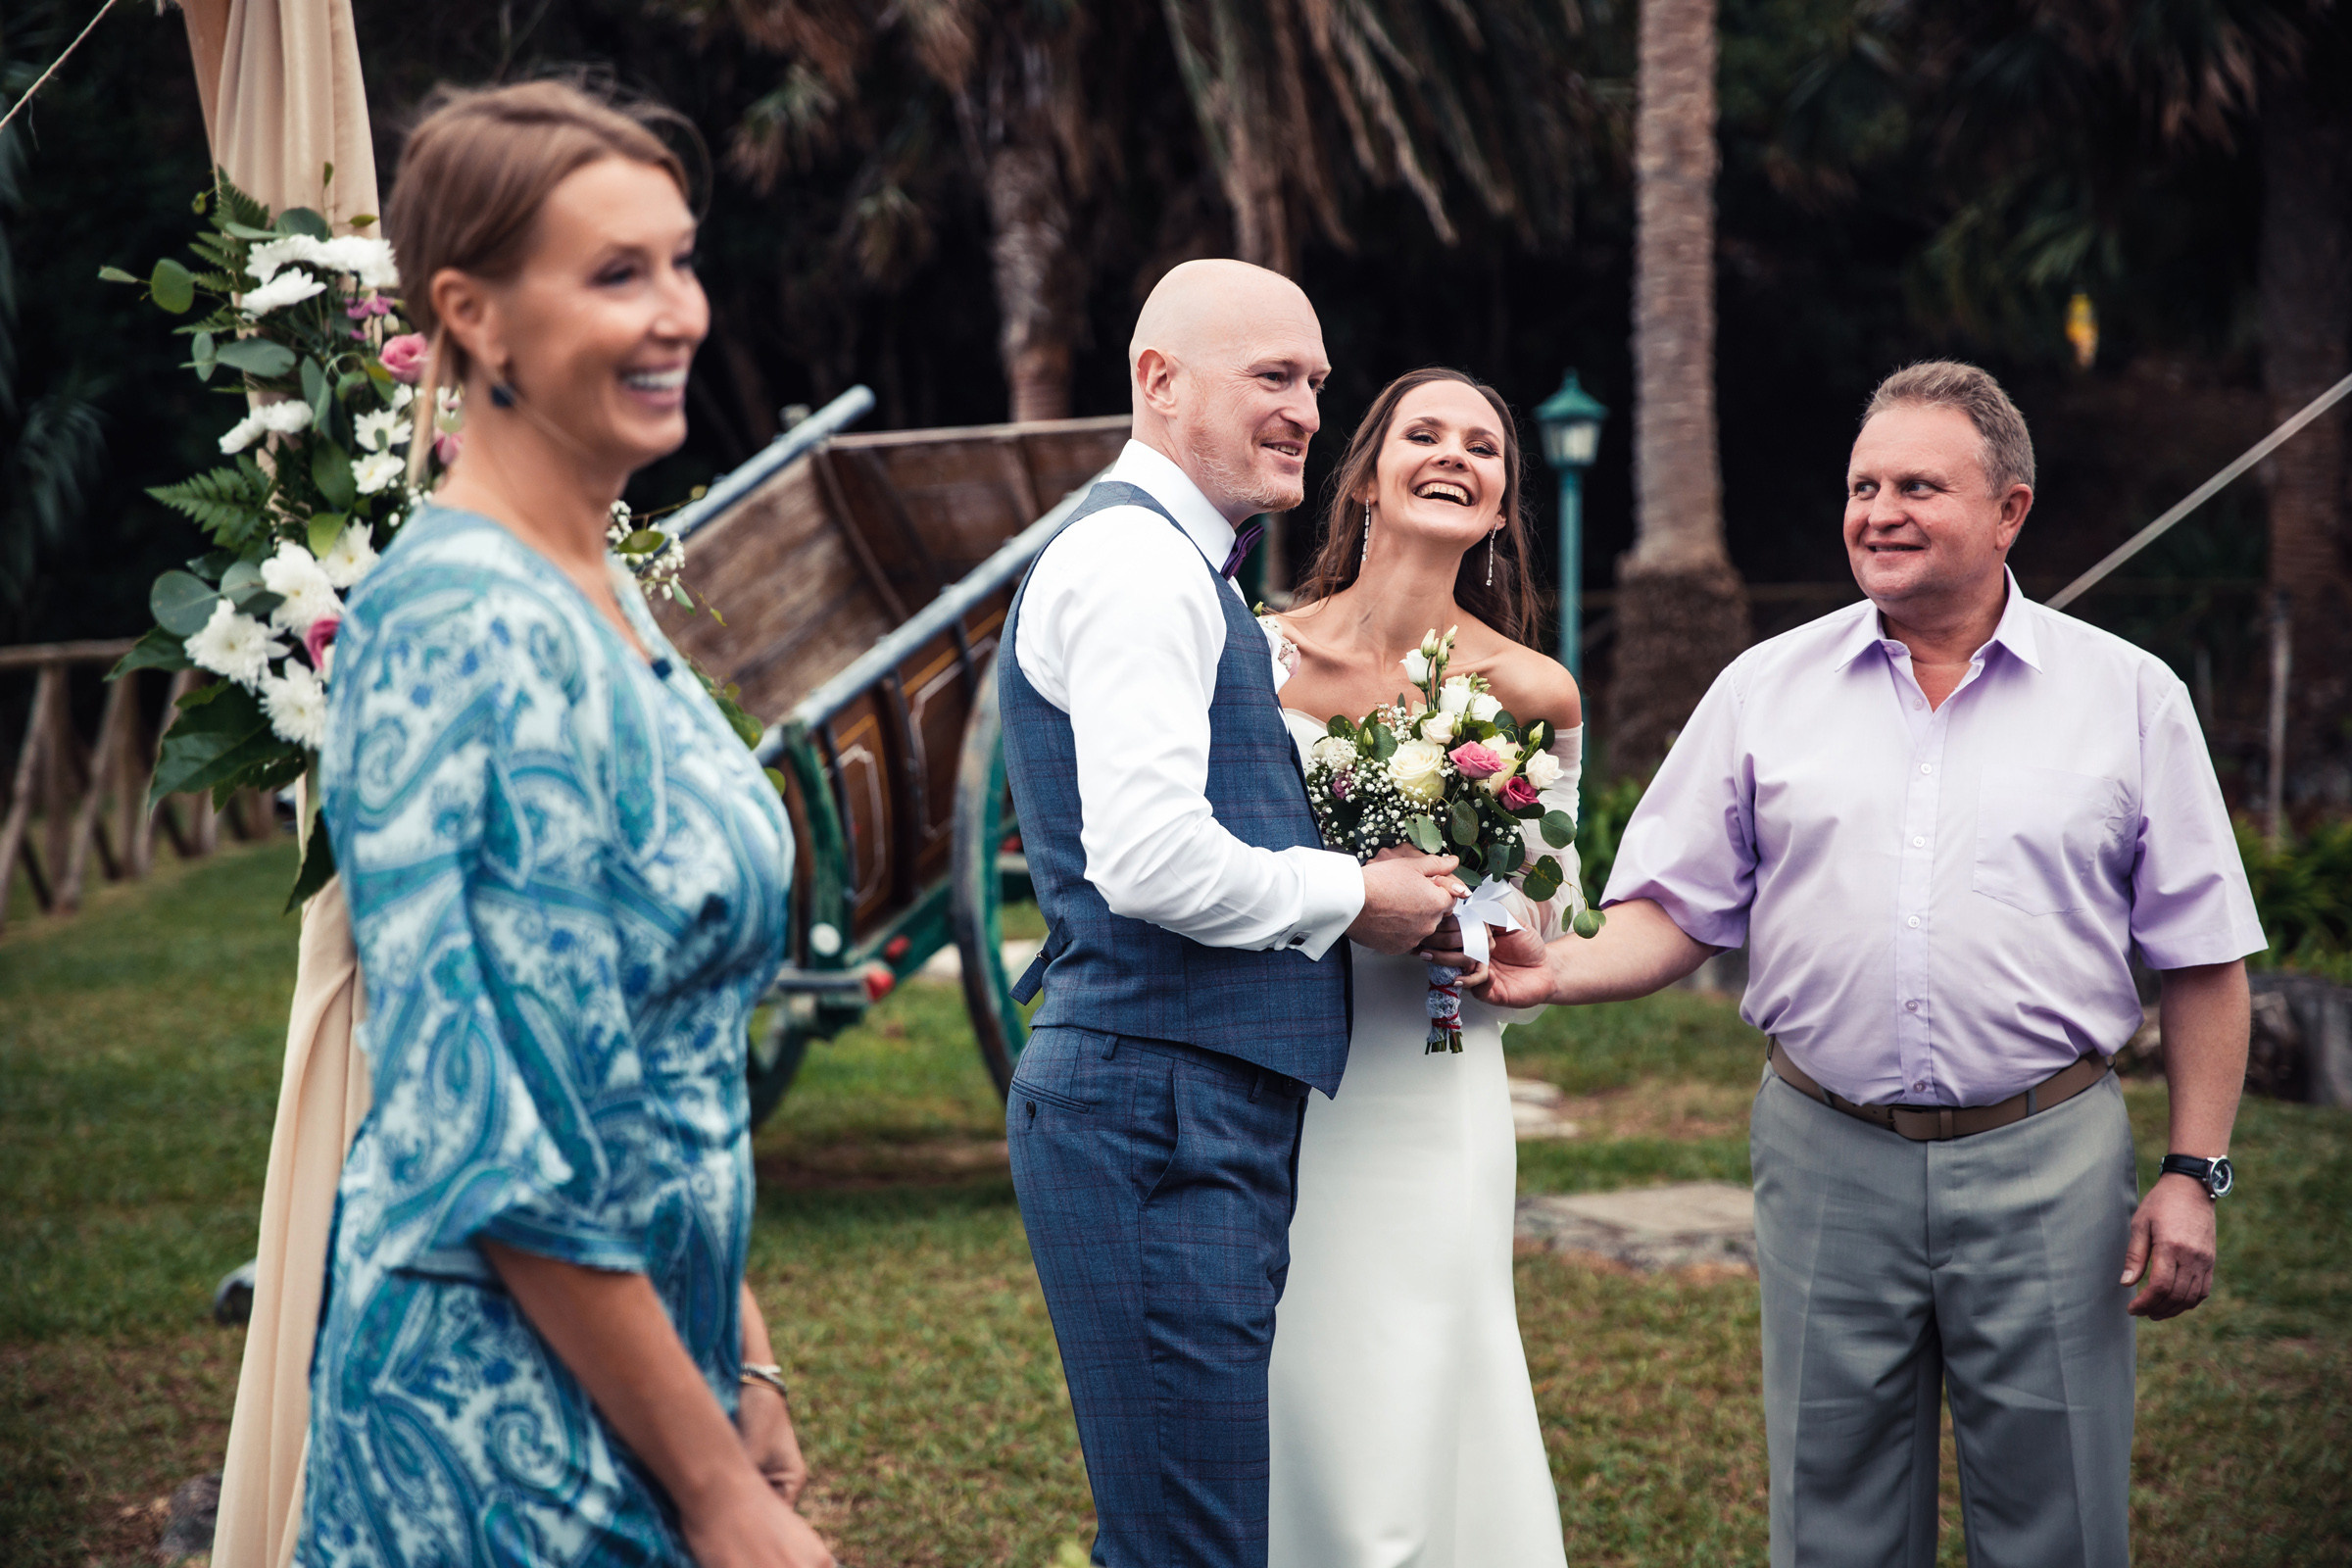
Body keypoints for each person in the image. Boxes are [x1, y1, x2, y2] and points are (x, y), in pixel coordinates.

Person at [1470, 360, 2262, 1568]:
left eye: (1918, 486)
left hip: (2049, 1157)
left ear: (2011, 510)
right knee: (1830, 1517)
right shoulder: (1763, 690)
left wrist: (2192, 1172)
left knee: (2062, 1522)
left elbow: (2204, 959)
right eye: (1863, 485)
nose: (1878, 511)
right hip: (1825, 1149)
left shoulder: (2131, 697)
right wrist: (1556, 969)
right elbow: (1674, 906)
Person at [303, 81, 832, 1568]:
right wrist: (714, 1486)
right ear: (471, 314)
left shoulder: (600, 592)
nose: (679, 313)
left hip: (648, 1376)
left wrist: (745, 1362)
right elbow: (494, 1131)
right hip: (497, 1435)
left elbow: (646, 1048)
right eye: (617, 274)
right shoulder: (462, 627)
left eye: (679, 261)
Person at [1000, 259, 1465, 1568]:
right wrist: (1354, 895)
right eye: (1274, 375)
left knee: (1184, 1534)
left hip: (1183, 1100)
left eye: (1317, 381)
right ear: (1159, 381)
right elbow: (1147, 861)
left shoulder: (1185, 575)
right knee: (1187, 1548)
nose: (1311, 410)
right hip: (1155, 1109)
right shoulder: (1140, 569)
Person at [1259, 367, 1583, 1567]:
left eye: (1485, 447)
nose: (1456, 455)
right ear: (1368, 475)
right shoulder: (1259, 658)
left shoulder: (1534, 690)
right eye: (1425, 434)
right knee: (1298, 1379)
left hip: (1434, 1078)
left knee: (1420, 1387)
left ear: (1501, 504)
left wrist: (1482, 932)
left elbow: (1543, 924)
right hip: (1278, 1073)